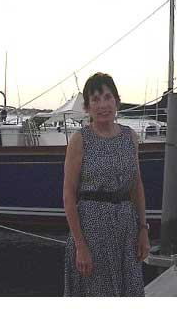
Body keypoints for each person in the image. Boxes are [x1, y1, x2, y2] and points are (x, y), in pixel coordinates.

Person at [62, 72, 150, 296]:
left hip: (126, 230)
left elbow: (137, 186)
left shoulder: (130, 137)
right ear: (87, 107)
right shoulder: (80, 140)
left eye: (108, 97)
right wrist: (80, 246)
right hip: (92, 231)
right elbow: (69, 195)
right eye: (96, 99)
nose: (103, 105)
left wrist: (143, 230)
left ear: (117, 101)